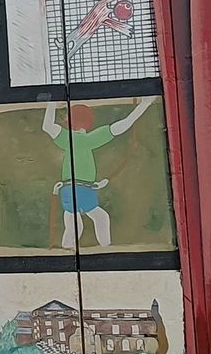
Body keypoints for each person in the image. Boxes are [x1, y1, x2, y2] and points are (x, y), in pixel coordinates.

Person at [41, 99, 154, 250]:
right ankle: (105, 248)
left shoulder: (66, 138)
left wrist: (52, 104)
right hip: (81, 189)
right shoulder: (90, 139)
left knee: (75, 223)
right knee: (99, 218)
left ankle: (68, 246)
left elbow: (47, 126)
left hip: (72, 189)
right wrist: (144, 105)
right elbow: (123, 125)